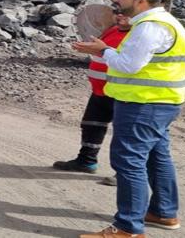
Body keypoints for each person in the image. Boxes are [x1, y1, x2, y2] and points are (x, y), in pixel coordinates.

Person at [73, 0, 185, 238]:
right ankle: (163, 212)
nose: (116, 0)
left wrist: (104, 50)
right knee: (157, 157)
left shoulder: (149, 27)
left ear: (141, 1)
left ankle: (128, 229)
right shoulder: (161, 22)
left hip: (143, 105)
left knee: (128, 161)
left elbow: (128, 65)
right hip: (159, 103)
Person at [52, 12, 130, 174]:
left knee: (126, 132)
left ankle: (125, 173)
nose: (120, 16)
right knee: (91, 125)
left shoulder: (136, 36)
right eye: (118, 12)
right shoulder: (112, 30)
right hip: (100, 90)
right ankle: (86, 161)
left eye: (127, 14)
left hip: (122, 92)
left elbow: (127, 61)